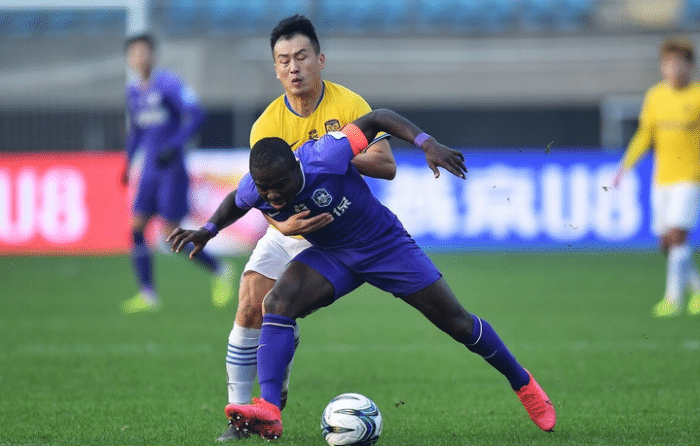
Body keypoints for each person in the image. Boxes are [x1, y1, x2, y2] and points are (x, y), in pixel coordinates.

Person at [168, 108, 557, 441]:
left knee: (457, 322)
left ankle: (522, 382)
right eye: (265, 189)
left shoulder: (327, 154)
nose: (272, 196)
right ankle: (270, 408)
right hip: (333, 255)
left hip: (384, 247)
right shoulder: (259, 186)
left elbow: (379, 118)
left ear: (296, 167)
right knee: (277, 303)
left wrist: (427, 143)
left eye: (279, 185)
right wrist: (208, 230)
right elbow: (236, 202)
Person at [219, 15, 395, 441]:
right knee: (249, 303)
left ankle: (272, 388)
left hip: (331, 229)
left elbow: (386, 165)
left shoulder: (349, 105)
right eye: (284, 60)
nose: (293, 67)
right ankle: (240, 419)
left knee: (281, 306)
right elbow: (262, 194)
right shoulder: (266, 125)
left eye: (301, 57)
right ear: (276, 69)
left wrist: (330, 155)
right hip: (287, 228)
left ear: (320, 60)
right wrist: (281, 222)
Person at [121, 33, 233, 314]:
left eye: (144, 52)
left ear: (153, 55)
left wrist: (175, 145)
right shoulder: (133, 91)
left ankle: (220, 269)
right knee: (136, 226)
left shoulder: (169, 84)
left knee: (170, 234)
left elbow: (197, 114)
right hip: (149, 170)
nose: (139, 58)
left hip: (171, 170)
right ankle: (147, 293)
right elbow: (136, 131)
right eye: (134, 54)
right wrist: (127, 163)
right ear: (129, 59)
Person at [614, 36, 700, 318]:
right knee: (666, 243)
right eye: (667, 63)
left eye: (678, 63)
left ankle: (672, 300)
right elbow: (644, 135)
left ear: (689, 66)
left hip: (690, 177)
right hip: (662, 178)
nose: (672, 69)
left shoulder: (697, 96)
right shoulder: (656, 96)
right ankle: (697, 290)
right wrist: (624, 167)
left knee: (677, 236)